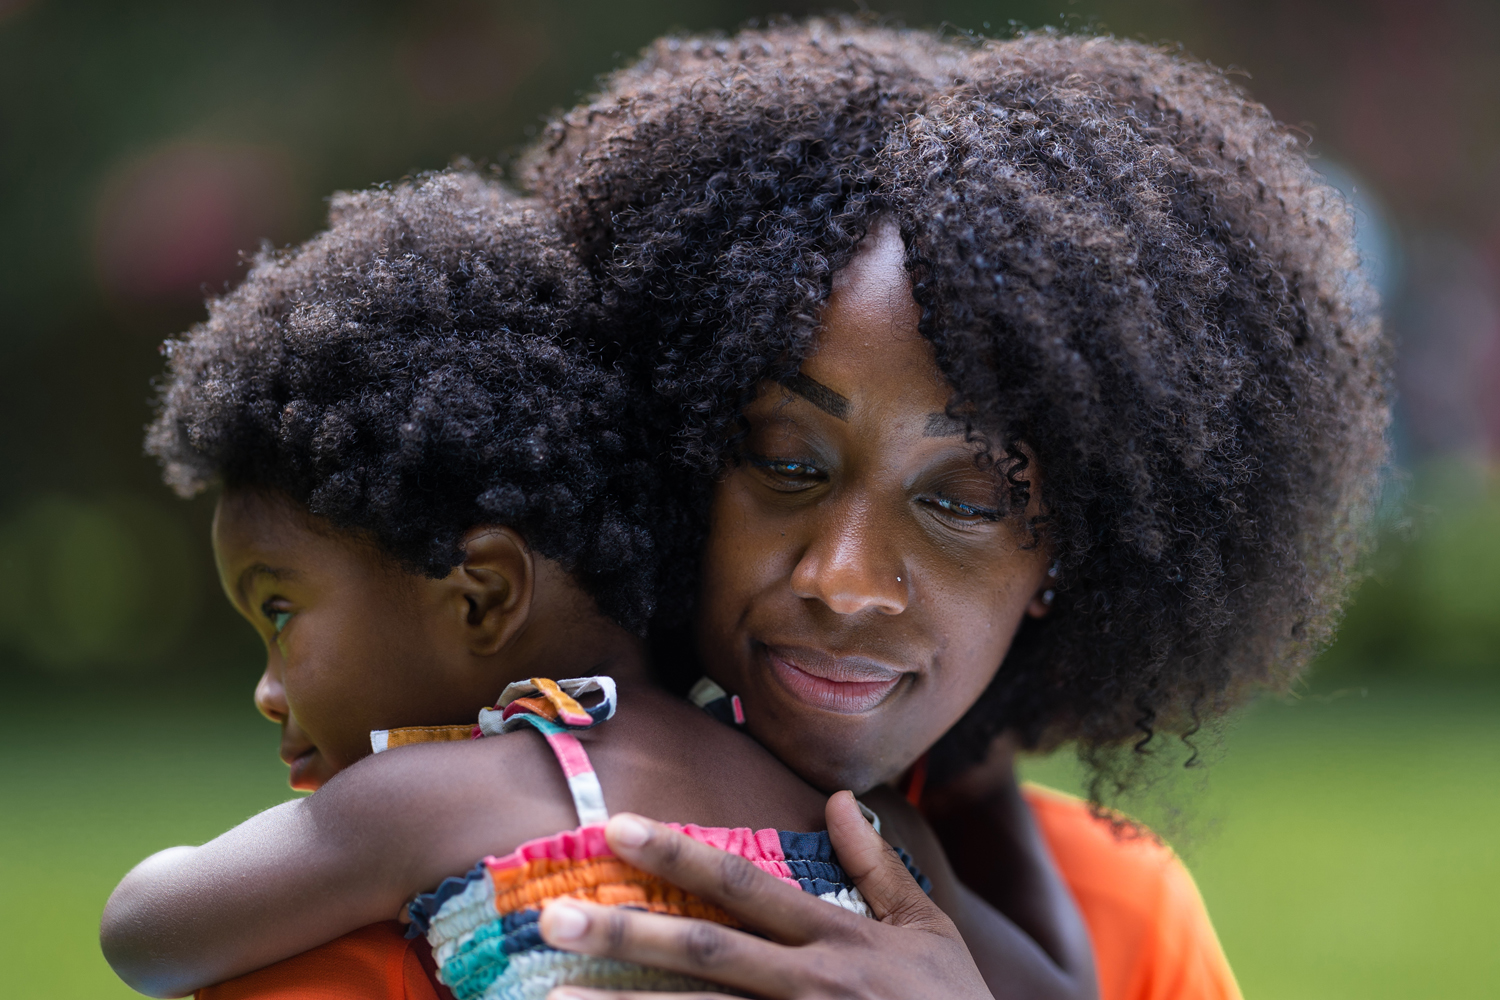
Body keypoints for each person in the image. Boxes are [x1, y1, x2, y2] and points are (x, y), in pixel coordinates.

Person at [513, 18, 1386, 1000]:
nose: (842, 578)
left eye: (964, 500)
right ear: (673, 452)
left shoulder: (1128, 919)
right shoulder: (470, 845)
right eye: (784, 462)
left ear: (1074, 551)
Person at [101, 169, 1096, 1000]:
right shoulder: (874, 832)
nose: (268, 687)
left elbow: (147, 930)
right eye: (787, 464)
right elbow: (1063, 989)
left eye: (281, 610)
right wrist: (981, 754)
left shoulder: (424, 804)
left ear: (484, 592)